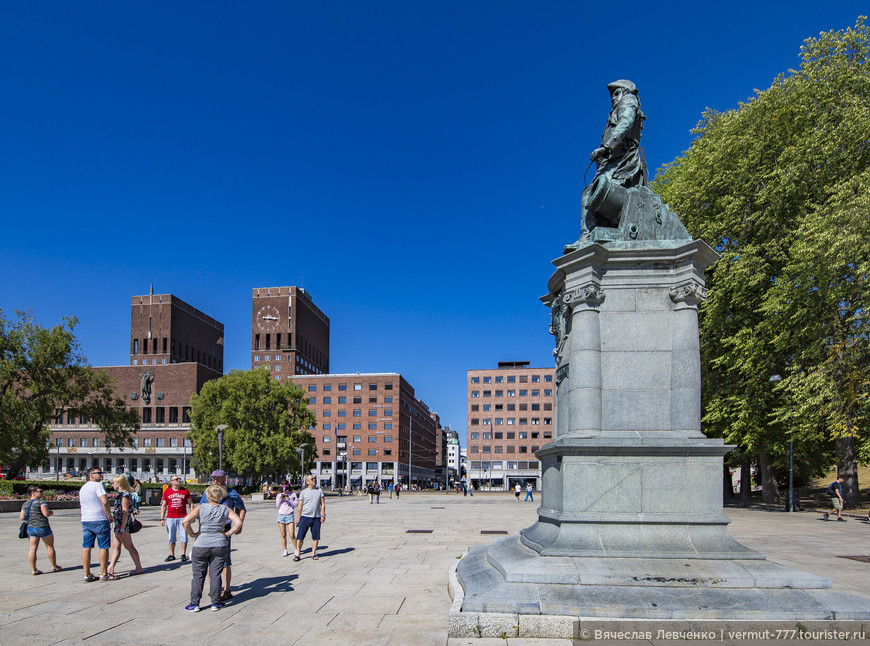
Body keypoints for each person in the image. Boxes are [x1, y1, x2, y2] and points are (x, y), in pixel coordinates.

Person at [564, 79, 648, 249]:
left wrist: (606, 147)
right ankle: (591, 234)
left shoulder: (628, 101)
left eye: (617, 93)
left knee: (592, 193)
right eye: (612, 96)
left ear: (626, 92)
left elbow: (626, 123)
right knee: (592, 193)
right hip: (613, 160)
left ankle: (586, 236)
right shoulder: (616, 109)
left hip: (623, 159)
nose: (614, 99)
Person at [182, 484, 243, 612]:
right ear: (220, 496)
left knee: (198, 575)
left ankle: (195, 603)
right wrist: (227, 533)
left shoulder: (200, 508)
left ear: (207, 495)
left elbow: (185, 521)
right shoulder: (225, 509)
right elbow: (238, 522)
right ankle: (216, 602)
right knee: (216, 574)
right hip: (219, 543)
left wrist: (192, 534)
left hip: (202, 543)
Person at [200, 470, 246, 602]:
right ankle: (214, 588)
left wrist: (239, 524)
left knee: (225, 561)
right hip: (208, 529)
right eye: (213, 478)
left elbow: (241, 508)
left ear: (223, 479)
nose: (214, 481)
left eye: (217, 478)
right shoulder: (207, 492)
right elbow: (203, 507)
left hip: (224, 529)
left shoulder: (231, 493)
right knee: (209, 560)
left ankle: (227, 589)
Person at [106, 475, 144, 579]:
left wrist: (122, 528)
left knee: (129, 546)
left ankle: (138, 567)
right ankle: (110, 568)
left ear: (119, 484)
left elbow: (125, 512)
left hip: (123, 525)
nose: (112, 485)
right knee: (115, 546)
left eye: (114, 483)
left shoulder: (125, 496)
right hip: (118, 524)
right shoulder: (120, 495)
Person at [80, 466, 113, 582]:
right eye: (98, 473)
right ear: (91, 475)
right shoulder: (98, 485)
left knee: (86, 546)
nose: (101, 475)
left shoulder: (83, 487)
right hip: (99, 519)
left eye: (101, 473)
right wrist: (109, 515)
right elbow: (104, 501)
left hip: (86, 520)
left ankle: (87, 574)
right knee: (103, 546)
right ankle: (104, 574)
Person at [20, 485, 60, 575]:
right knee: (49, 546)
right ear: (33, 493)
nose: (42, 493)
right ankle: (54, 566)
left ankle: (34, 570)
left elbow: (22, 517)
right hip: (43, 527)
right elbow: (46, 514)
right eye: (40, 491)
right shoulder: (41, 502)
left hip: (31, 528)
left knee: (32, 549)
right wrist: (51, 512)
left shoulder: (25, 504)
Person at [293, 474, 326, 561]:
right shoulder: (303, 492)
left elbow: (322, 503)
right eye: (312, 479)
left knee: (315, 536)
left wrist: (323, 515)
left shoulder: (319, 491)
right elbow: (300, 506)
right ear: (307, 482)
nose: (314, 480)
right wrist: (298, 518)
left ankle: (313, 553)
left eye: (314, 478)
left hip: (316, 517)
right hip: (305, 517)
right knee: (300, 536)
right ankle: (298, 554)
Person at [161, 475, 193, 562]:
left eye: (179, 479)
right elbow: (164, 505)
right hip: (171, 517)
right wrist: (162, 518)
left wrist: (192, 515)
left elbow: (190, 503)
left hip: (182, 516)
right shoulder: (167, 492)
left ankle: (183, 554)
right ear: (171, 482)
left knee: (184, 536)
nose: (178, 480)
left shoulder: (185, 491)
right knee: (171, 536)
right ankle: (172, 554)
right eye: (176, 479)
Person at [275, 486, 298, 557]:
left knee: (291, 534)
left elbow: (296, 504)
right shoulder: (279, 495)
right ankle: (285, 550)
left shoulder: (292, 494)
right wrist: (280, 499)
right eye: (283, 490)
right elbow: (277, 506)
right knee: (283, 534)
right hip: (281, 515)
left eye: (286, 489)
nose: (285, 491)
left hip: (289, 515)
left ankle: (296, 549)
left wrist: (289, 499)